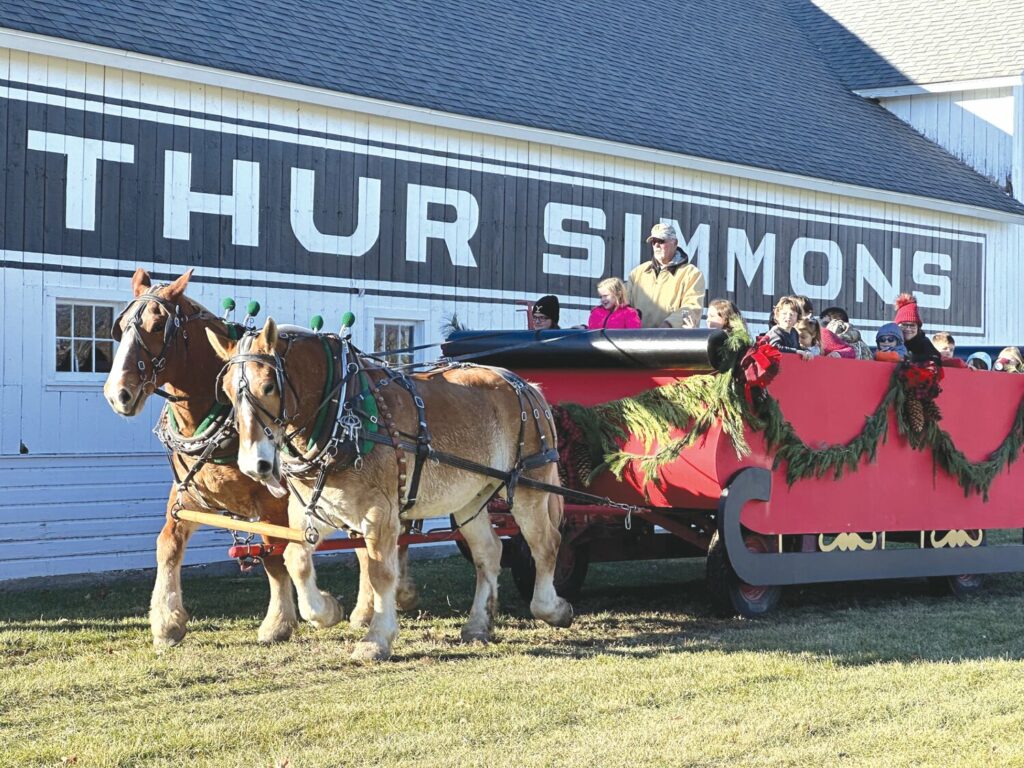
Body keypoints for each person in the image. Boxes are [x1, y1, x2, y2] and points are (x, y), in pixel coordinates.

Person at [626, 223, 705, 328]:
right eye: (654, 242)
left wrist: (669, 324)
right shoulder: (637, 273)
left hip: (671, 340)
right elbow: (624, 305)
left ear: (675, 243)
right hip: (639, 340)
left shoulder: (692, 274)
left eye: (661, 241)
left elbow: (691, 308)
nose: (657, 245)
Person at [894, 293, 941, 363]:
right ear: (897, 326)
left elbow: (937, 361)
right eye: (904, 325)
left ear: (918, 328)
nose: (908, 329)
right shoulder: (889, 340)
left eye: (912, 325)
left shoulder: (924, 343)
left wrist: (915, 359)